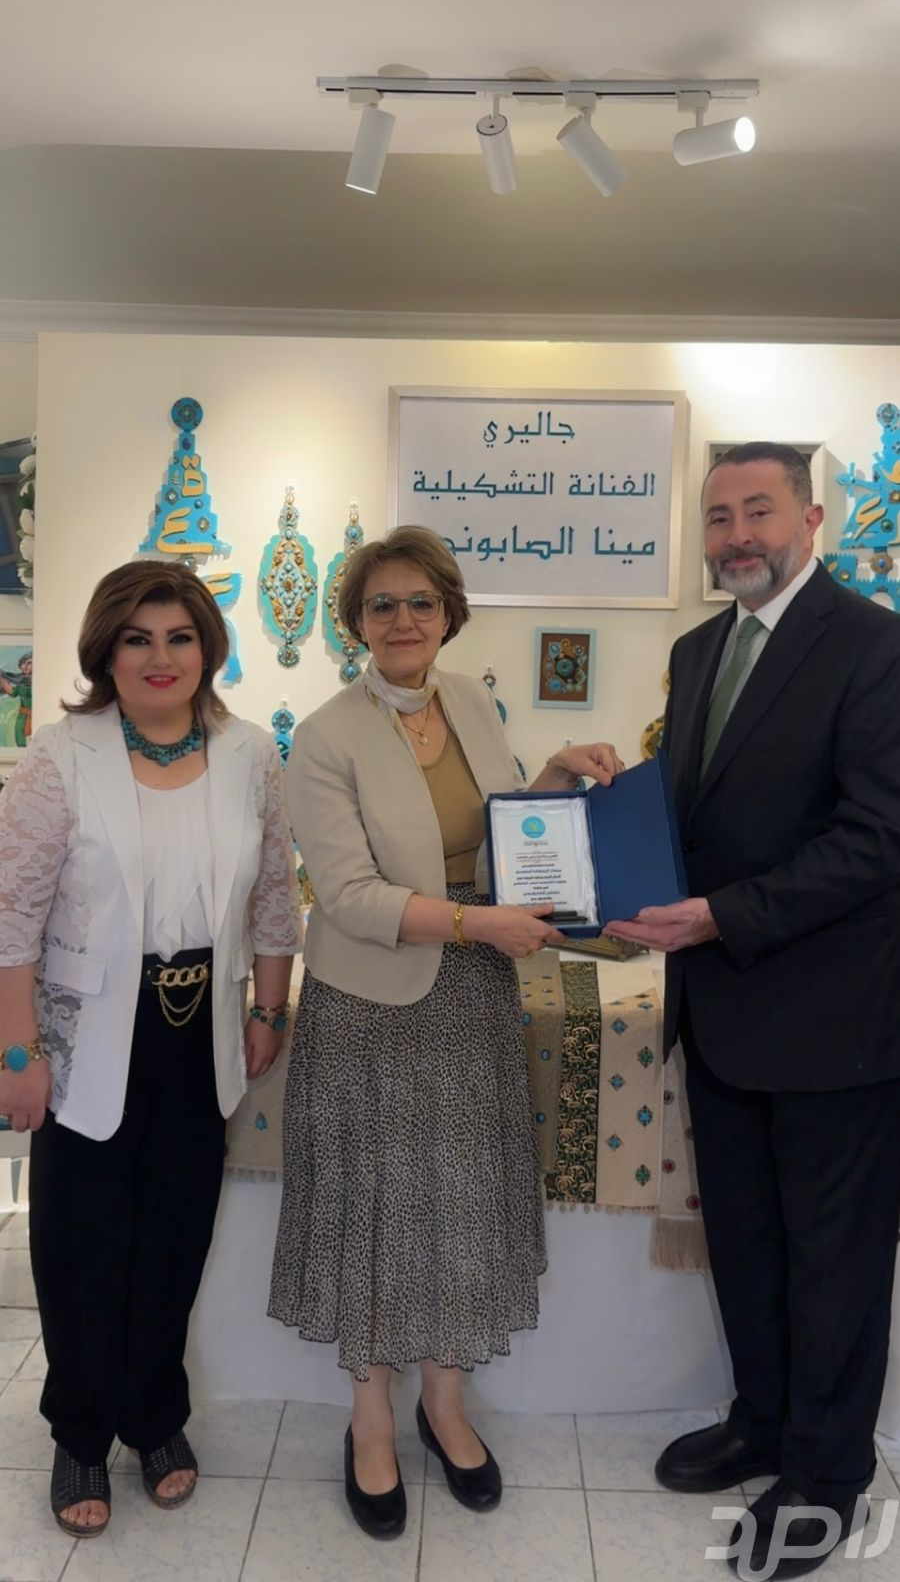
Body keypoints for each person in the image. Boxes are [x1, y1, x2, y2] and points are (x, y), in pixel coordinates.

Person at [268, 525, 622, 1540]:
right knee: (374, 1210)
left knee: (457, 1205)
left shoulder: (468, 701)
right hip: (370, 1006)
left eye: (420, 602)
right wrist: (478, 924)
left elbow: (497, 837)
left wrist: (553, 780)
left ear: (448, 613)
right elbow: (348, 895)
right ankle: (370, 1419)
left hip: (471, 998)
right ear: (355, 622)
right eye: (381, 604)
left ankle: (444, 1402)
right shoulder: (325, 736)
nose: (403, 620)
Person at [605, 443, 900, 1580]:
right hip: (722, 1014)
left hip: (836, 1022)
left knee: (835, 1263)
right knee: (746, 1242)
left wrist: (723, 916)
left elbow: (877, 837)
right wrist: (606, 823)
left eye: (759, 510)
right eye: (719, 515)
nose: (737, 534)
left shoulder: (875, 646)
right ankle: (764, 1422)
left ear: (812, 520)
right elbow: (697, 819)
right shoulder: (699, 650)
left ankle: (826, 1477)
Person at [0, 560, 301, 1539]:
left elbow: (273, 895)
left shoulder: (248, 753)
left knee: (175, 1236)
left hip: (200, 1027)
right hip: (87, 1033)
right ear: (107, 652)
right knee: (80, 1242)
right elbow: (11, 919)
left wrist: (268, 1008)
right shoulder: (61, 755)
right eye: (138, 639)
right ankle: (81, 1431)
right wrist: (17, 1054)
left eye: (180, 637)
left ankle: (155, 1417)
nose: (160, 657)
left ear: (208, 648)